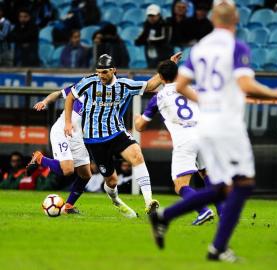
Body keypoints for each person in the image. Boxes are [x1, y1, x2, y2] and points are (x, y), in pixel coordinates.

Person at [148, 1, 277, 262]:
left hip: (207, 126)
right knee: (243, 184)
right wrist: (276, 95)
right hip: (226, 125)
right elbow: (245, 83)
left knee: (224, 187)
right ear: (236, 18)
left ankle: (166, 218)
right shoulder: (237, 47)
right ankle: (218, 247)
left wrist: (205, 101)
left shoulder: (200, 48)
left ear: (212, 18)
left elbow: (180, 86)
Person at [64, 53, 181, 215]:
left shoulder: (124, 85)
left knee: (137, 155)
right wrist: (68, 123)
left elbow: (150, 86)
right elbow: (70, 97)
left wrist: (168, 64)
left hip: (116, 133)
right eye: (98, 72)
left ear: (113, 70)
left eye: (104, 72)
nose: (100, 76)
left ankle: (149, 201)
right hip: (94, 139)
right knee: (112, 181)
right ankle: (116, 200)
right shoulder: (89, 82)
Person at [135, 60, 216, 225]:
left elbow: (141, 127)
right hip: (204, 135)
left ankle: (203, 210)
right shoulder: (190, 89)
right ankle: (224, 213)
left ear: (161, 78)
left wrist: (137, 120)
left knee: (180, 185)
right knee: (207, 175)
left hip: (185, 140)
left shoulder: (159, 97)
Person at [27, 84, 94, 214]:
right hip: (62, 131)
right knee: (68, 170)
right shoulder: (83, 86)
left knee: (86, 174)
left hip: (78, 137)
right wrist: (45, 101)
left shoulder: (108, 98)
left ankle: (68, 206)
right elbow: (57, 94)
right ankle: (39, 158)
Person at [135, 4, 173, 68]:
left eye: (153, 15)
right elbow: (140, 39)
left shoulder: (165, 24)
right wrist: (142, 41)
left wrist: (149, 41)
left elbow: (165, 39)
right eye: (149, 16)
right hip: (151, 54)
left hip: (164, 54)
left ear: (158, 15)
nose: (151, 18)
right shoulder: (147, 25)